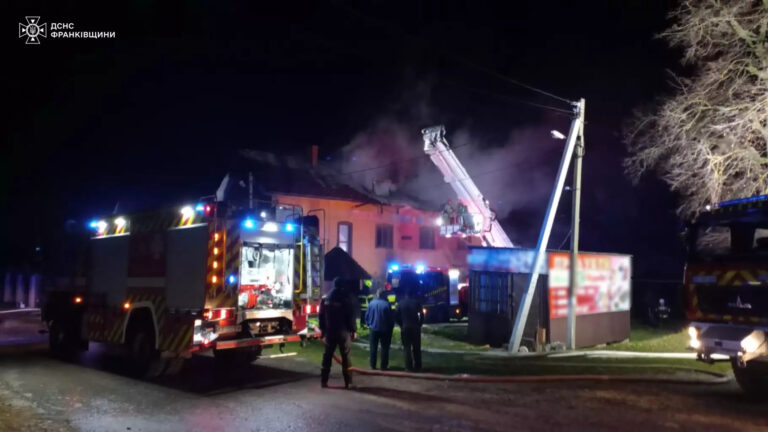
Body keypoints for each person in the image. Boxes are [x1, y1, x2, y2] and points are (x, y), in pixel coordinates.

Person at [319, 278, 357, 389]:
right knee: (345, 356)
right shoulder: (346, 298)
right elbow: (351, 316)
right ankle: (348, 382)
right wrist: (353, 330)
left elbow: (321, 316)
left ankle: (324, 381)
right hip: (343, 331)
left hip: (330, 331)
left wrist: (323, 330)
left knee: (327, 356)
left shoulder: (326, 298)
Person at [365, 288, 394, 370]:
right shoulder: (387, 304)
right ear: (384, 295)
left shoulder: (371, 303)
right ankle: (383, 366)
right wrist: (390, 327)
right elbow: (390, 318)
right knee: (384, 348)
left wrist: (368, 324)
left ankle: (372, 365)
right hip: (385, 329)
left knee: (373, 347)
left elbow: (367, 315)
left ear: (377, 294)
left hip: (373, 328)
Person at [395, 289, 423, 372]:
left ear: (405, 295)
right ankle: (418, 366)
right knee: (416, 348)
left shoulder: (400, 303)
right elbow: (422, 314)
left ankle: (408, 367)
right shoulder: (416, 303)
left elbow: (396, 316)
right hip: (415, 328)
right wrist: (420, 324)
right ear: (412, 295)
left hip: (405, 327)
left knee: (407, 348)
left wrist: (401, 325)